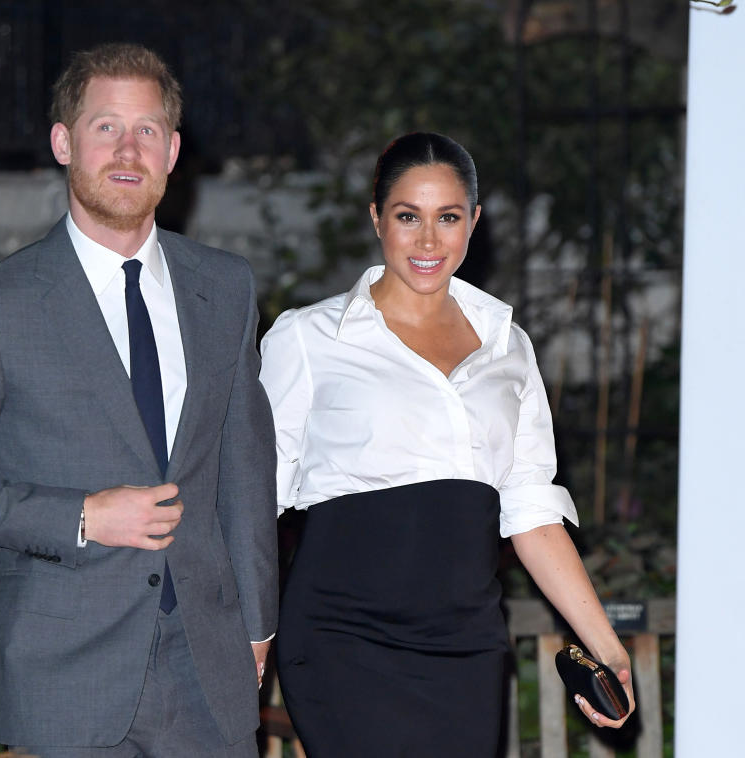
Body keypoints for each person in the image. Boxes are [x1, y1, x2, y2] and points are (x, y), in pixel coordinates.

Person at [0, 43, 278, 757]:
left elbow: (244, 464)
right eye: (106, 127)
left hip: (208, 668)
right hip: (67, 675)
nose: (128, 149)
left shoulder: (224, 286)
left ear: (173, 151)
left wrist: (258, 623)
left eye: (148, 131)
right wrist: (81, 517)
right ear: (64, 142)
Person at [259, 132, 635, 757]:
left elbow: (532, 514)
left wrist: (607, 647)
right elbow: (253, 502)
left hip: (467, 645)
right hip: (341, 637)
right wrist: (246, 634)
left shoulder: (507, 345)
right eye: (408, 217)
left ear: (474, 222)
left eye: (448, 218)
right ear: (377, 218)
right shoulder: (307, 338)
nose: (428, 241)